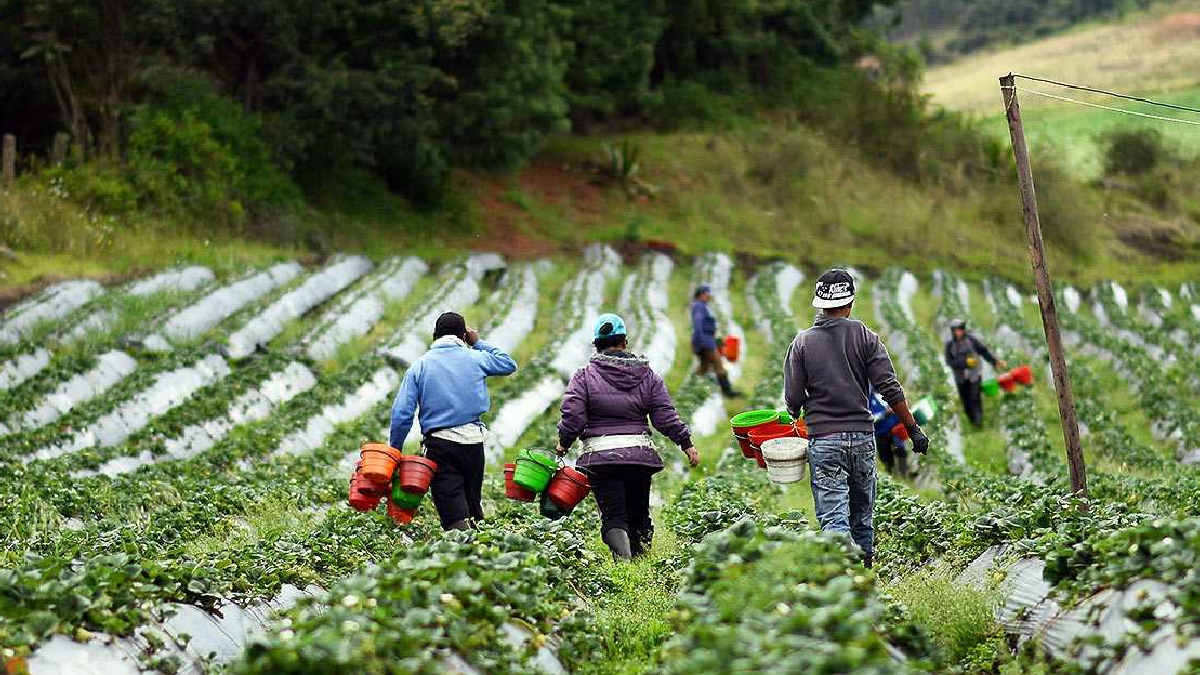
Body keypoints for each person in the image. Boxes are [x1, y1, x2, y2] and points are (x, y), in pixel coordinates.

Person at [783, 269, 929, 568]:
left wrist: (794, 414)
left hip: (824, 440)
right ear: (850, 304)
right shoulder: (865, 336)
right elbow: (890, 388)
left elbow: (793, 399)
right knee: (862, 512)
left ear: (819, 304)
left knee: (833, 515)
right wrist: (913, 429)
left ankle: (843, 581)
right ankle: (863, 577)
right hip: (862, 438)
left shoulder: (803, 343)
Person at [556, 313, 698, 560]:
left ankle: (624, 561)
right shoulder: (647, 375)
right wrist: (686, 443)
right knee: (639, 512)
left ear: (597, 345)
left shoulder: (585, 376)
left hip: (601, 459)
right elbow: (664, 415)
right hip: (638, 456)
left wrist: (563, 443)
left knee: (614, 514)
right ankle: (641, 559)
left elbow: (573, 415)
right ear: (624, 341)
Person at [389, 311, 517, 531]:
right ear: (463, 337)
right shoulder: (476, 357)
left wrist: (395, 450)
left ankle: (465, 550)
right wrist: (478, 343)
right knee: (471, 504)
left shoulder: (420, 366)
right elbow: (507, 364)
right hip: (473, 443)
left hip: (440, 445)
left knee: (453, 511)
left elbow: (402, 414)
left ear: (434, 336)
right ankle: (481, 551)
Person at [944, 319, 1006, 428]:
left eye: (959, 330)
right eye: (955, 331)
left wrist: (995, 361)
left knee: (975, 397)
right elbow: (949, 362)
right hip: (961, 378)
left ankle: (979, 422)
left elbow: (983, 351)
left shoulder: (971, 340)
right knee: (966, 401)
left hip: (974, 375)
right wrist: (964, 362)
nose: (957, 333)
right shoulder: (950, 345)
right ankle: (973, 422)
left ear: (963, 330)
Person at [690, 284, 742, 397]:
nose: (709, 296)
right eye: (707, 294)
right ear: (702, 295)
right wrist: (702, 341)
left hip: (707, 340)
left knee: (704, 367)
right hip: (705, 341)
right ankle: (728, 392)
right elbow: (698, 325)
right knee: (718, 364)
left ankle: (690, 388)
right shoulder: (699, 306)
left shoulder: (702, 306)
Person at [868, 387, 909, 479]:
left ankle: (904, 475)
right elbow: (869, 418)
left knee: (901, 450)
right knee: (886, 458)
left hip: (895, 428)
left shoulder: (889, 394)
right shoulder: (868, 400)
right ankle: (890, 477)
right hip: (881, 432)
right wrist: (884, 414)